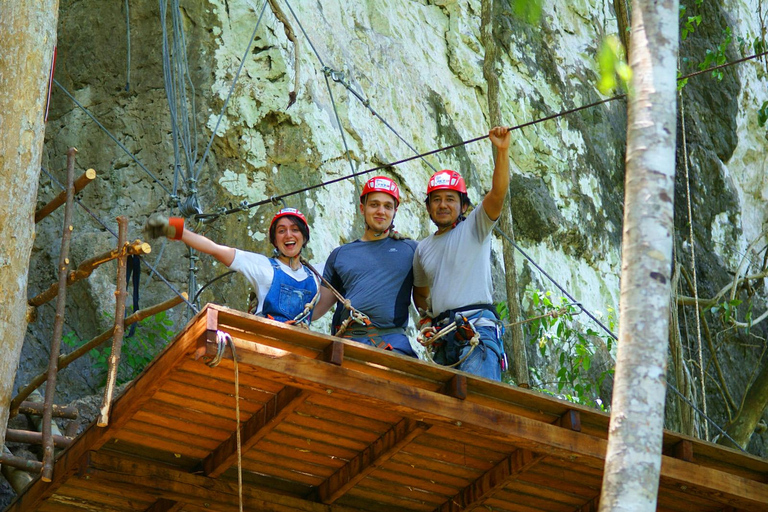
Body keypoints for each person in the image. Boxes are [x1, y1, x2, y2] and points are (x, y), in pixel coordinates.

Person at [412, 126, 511, 380]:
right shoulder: (422, 248)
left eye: (450, 199)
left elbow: (497, 194)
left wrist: (502, 151)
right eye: (436, 200)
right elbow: (420, 293)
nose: (442, 205)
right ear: (428, 207)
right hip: (444, 337)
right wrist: (426, 319)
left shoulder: (476, 227)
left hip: (477, 330)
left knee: (478, 402)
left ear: (464, 205)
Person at [144, 207, 320, 326]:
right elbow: (215, 249)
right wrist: (174, 229)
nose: (288, 234)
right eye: (281, 230)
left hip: (301, 345)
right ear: (274, 240)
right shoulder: (263, 266)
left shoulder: (316, 276)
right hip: (268, 340)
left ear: (304, 237)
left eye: (295, 229)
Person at [313, 176, 418, 356]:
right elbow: (320, 306)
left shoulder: (410, 250)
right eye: (374, 204)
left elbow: (430, 288)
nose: (381, 211)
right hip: (348, 341)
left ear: (395, 211)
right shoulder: (340, 255)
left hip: (392, 343)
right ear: (362, 208)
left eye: (387, 206)